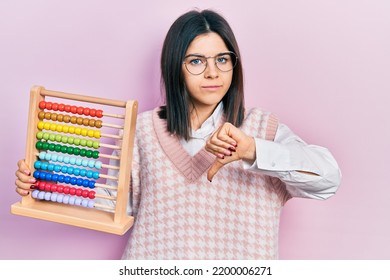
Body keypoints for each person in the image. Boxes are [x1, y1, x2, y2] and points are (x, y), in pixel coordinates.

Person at [15, 9, 341, 259]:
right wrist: (46, 181)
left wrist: (254, 151)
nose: (213, 72)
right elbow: (110, 205)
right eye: (196, 61)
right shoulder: (142, 131)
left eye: (222, 60)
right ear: (176, 66)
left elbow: (328, 179)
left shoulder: (262, 129)